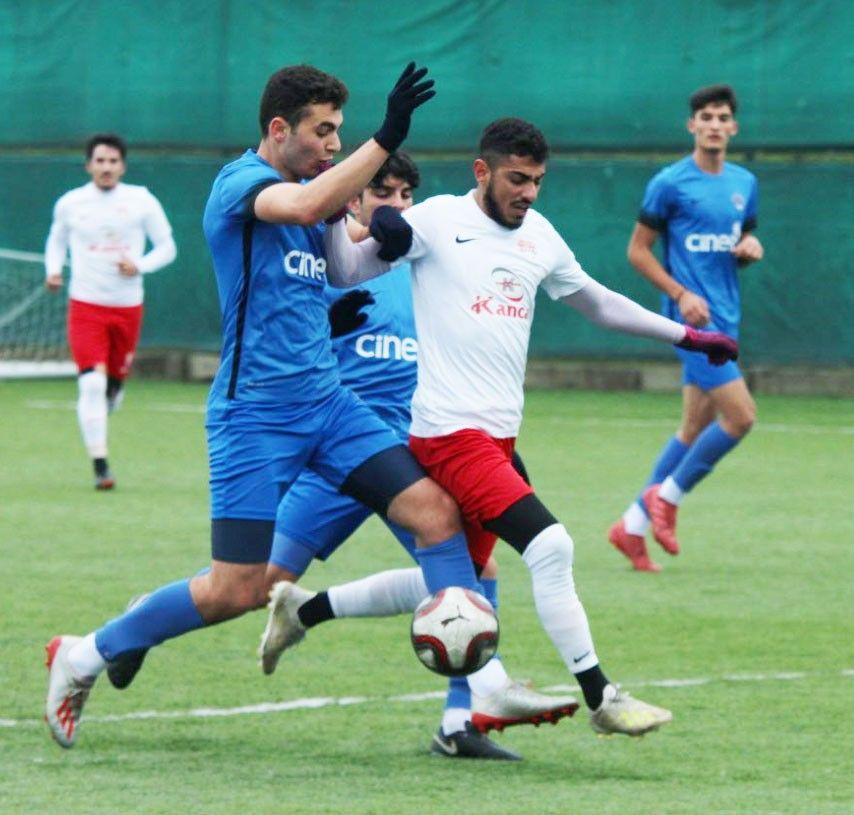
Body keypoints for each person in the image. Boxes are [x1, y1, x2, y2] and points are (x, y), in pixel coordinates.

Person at [44, 62, 483, 750]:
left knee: (436, 513)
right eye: (323, 131)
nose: (333, 145)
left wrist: (389, 247)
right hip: (255, 416)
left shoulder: (317, 195)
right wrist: (386, 136)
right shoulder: (241, 184)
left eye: (339, 132)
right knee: (238, 590)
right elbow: (301, 208)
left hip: (331, 406)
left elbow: (344, 267)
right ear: (279, 129)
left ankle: (469, 698)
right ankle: (85, 653)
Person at [272, 117, 741, 738]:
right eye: (517, 179)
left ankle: (304, 609)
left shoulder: (539, 235)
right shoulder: (437, 218)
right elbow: (345, 271)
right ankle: (602, 697)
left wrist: (686, 336)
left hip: (498, 438)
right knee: (552, 546)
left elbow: (598, 302)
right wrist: (355, 223)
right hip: (449, 436)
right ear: (482, 171)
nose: (528, 192)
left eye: (537, 180)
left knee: (454, 581)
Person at [255, 152, 578, 760]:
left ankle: (461, 723)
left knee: (475, 574)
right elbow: (280, 341)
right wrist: (326, 322)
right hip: (342, 454)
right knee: (253, 584)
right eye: (383, 191)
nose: (399, 204)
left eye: (407, 193)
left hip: (413, 454)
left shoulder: (424, 255)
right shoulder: (329, 263)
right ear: (353, 198)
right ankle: (134, 631)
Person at [608, 84, 763, 572]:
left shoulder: (744, 182)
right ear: (692, 125)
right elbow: (637, 251)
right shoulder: (670, 183)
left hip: (728, 317)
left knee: (694, 427)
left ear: (733, 128)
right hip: (691, 324)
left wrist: (750, 248)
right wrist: (680, 295)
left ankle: (631, 526)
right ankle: (667, 497)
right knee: (741, 417)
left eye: (722, 117)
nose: (714, 125)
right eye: (706, 117)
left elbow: (743, 236)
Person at [44, 133, 177, 489]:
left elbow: (167, 247)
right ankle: (101, 465)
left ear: (122, 166)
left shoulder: (141, 200)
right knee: (91, 383)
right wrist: (53, 270)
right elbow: (56, 240)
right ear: (88, 165)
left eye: (113, 161)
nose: (106, 167)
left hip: (127, 307)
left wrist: (140, 265)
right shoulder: (71, 203)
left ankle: (113, 393)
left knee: (111, 393)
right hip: (85, 305)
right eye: (100, 161)